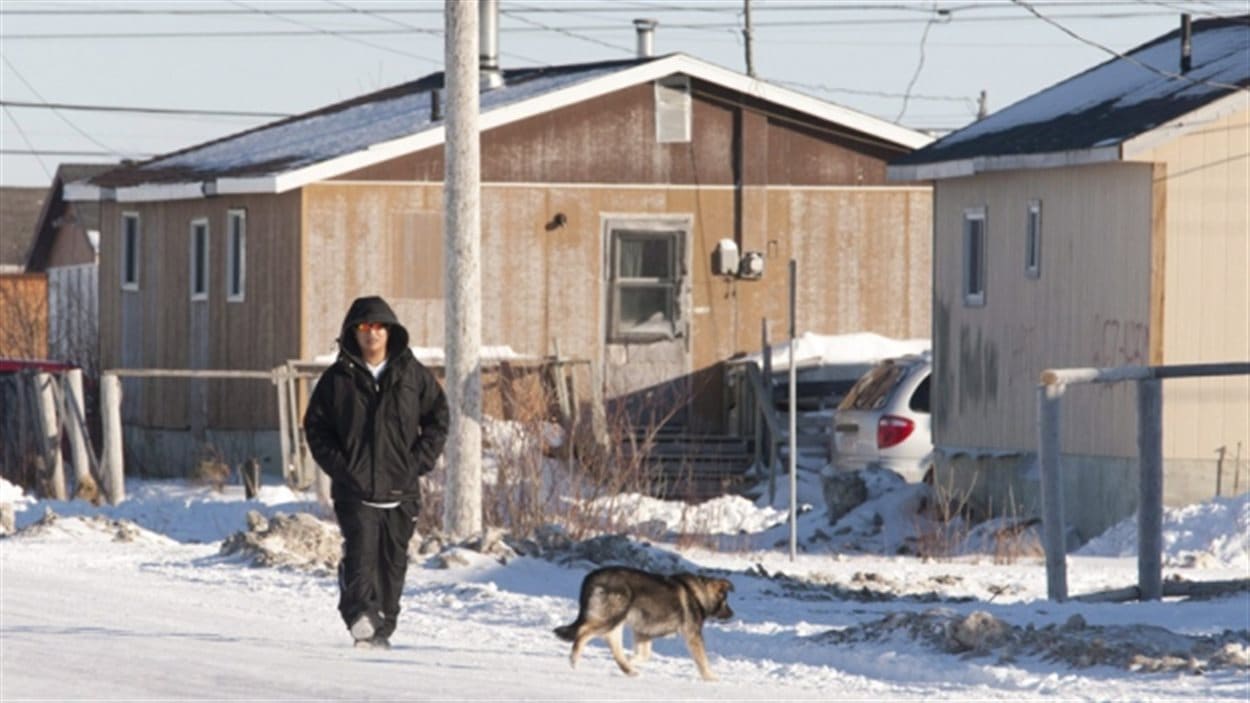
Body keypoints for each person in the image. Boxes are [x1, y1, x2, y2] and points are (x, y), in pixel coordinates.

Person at [303, 296, 449, 649]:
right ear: (353, 334)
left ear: (391, 332)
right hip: (355, 490)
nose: (372, 334)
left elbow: (438, 419)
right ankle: (360, 616)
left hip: (401, 490)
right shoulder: (337, 379)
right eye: (365, 328)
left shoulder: (413, 376)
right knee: (362, 556)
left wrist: (417, 463)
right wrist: (343, 468)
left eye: (379, 327)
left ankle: (382, 628)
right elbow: (316, 428)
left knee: (393, 565)